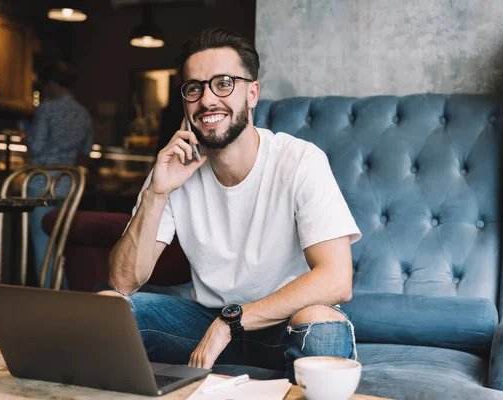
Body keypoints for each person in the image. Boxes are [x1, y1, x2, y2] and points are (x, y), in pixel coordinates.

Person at [102, 27, 361, 383]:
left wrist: (231, 320)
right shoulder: (173, 169)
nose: (207, 100)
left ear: (252, 93)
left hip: (284, 322)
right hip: (203, 322)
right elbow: (124, 282)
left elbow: (336, 279)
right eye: (194, 88)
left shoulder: (299, 160)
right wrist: (157, 192)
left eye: (223, 83)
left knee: (321, 321)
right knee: (109, 309)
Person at [27, 61, 93, 288]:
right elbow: (86, 151)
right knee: (64, 242)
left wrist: (24, 135)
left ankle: (51, 295)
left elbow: (36, 146)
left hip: (42, 181)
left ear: (53, 84)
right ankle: (64, 293)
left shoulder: (46, 108)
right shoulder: (83, 112)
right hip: (70, 183)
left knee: (43, 242)